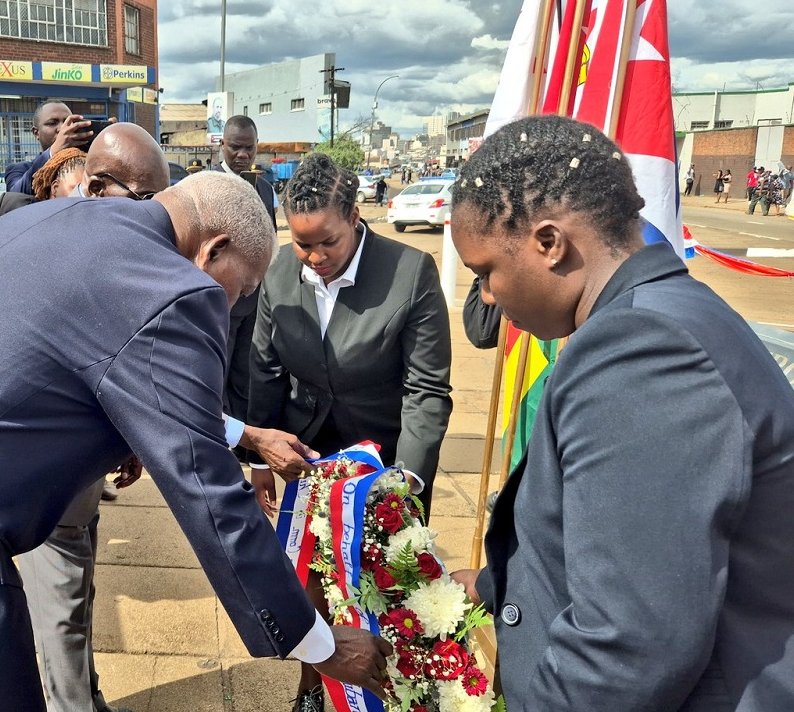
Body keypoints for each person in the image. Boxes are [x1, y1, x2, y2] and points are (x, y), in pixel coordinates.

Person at [0, 170, 392, 712]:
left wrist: (245, 434)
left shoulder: (57, 218)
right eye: (244, 288)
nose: (233, 306)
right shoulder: (176, 292)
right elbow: (207, 494)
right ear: (214, 249)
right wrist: (323, 647)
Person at [449, 115, 794, 711]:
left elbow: (632, 644)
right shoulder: (661, 311)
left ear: (550, 244)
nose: (486, 297)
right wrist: (495, 585)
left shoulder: (638, 352)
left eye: (486, 273)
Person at [248, 152, 452, 711]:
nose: (313, 258)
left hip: (385, 462)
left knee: (384, 587)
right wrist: (261, 459)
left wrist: (405, 481)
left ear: (355, 217)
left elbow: (427, 389)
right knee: (310, 580)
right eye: (300, 243)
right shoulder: (278, 273)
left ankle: (396, 688)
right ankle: (314, 690)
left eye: (327, 243)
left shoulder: (410, 273)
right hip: (307, 455)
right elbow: (264, 369)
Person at [215, 116, 279, 448]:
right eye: (235, 147)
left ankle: (242, 442)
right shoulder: (209, 184)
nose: (242, 154)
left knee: (245, 374)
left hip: (256, 302)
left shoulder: (265, 188)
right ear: (222, 144)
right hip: (219, 301)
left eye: (249, 148)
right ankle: (217, 442)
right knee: (217, 374)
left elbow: (272, 239)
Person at [4, 100, 94, 195]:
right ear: (36, 133)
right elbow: (15, 196)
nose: (62, 128)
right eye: (52, 123)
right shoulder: (19, 169)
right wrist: (54, 151)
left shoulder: (89, 163)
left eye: (68, 122)